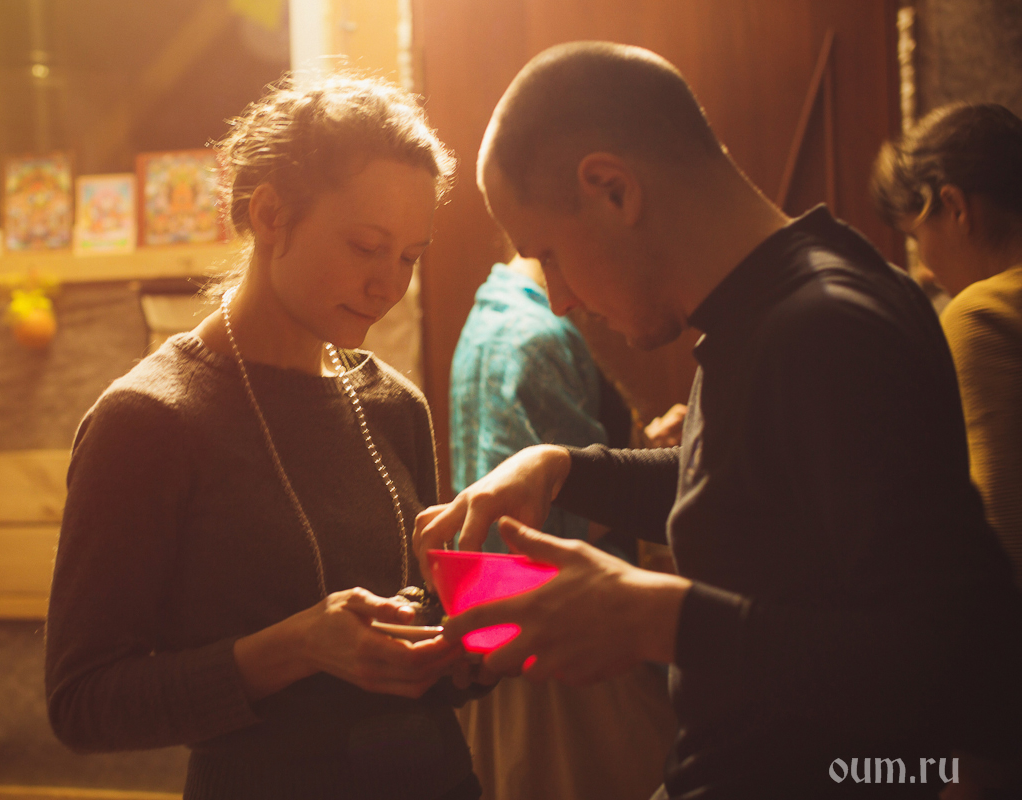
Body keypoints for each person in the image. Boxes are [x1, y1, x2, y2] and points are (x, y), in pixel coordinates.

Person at [414, 42, 1022, 798]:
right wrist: (564, 469)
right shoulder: (766, 306)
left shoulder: (826, 328)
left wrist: (657, 620)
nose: (560, 299)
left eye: (550, 254)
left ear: (613, 190)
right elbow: (755, 490)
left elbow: (966, 670)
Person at [45, 74, 485, 799]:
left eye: (409, 256)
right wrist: (295, 647)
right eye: (366, 246)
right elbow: (83, 704)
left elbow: (422, 648)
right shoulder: (149, 421)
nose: (388, 286)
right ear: (271, 214)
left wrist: (473, 648)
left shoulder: (393, 405)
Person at [449, 253, 677, 800]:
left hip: (518, 637)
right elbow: (539, 527)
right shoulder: (535, 338)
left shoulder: (490, 312)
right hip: (566, 660)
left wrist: (647, 454)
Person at [872, 102, 1022, 589]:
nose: (925, 270)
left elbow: (1001, 541)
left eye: (917, 237)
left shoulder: (982, 315)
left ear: (955, 206)